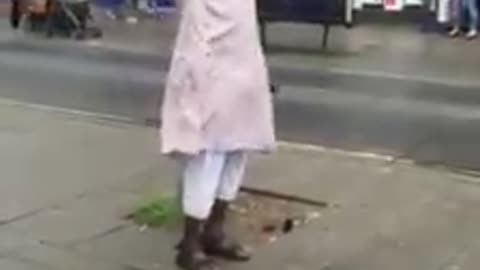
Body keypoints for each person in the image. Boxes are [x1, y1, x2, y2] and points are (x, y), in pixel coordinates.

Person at [160, 0, 276, 269]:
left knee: (237, 147)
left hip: (241, 56)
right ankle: (190, 246)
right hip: (207, 59)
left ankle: (215, 231)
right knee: (207, 152)